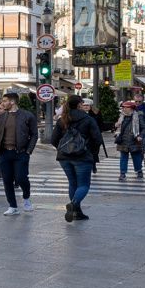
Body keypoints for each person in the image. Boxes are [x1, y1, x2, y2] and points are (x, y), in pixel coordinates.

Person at [50, 94, 102, 222]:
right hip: (82, 157)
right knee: (84, 184)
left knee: (73, 183)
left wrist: (64, 149)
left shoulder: (62, 119)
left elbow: (53, 140)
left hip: (64, 158)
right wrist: (89, 151)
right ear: (79, 105)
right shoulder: (88, 119)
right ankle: (73, 204)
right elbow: (97, 139)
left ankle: (76, 213)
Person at [0, 92, 37, 215]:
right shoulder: (1, 117)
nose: (2, 103)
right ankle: (13, 206)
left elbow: (34, 135)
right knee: (7, 180)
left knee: (21, 178)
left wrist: (28, 151)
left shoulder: (27, 116)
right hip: (4, 153)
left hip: (21, 153)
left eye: (4, 101)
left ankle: (26, 198)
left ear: (12, 102)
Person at [114, 101, 145, 181]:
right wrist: (116, 125)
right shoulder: (121, 116)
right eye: (123, 107)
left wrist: (140, 136)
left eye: (126, 107)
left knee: (136, 157)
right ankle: (122, 173)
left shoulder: (139, 116)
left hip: (135, 140)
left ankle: (139, 171)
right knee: (123, 157)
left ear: (132, 108)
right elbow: (118, 128)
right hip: (123, 140)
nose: (124, 109)